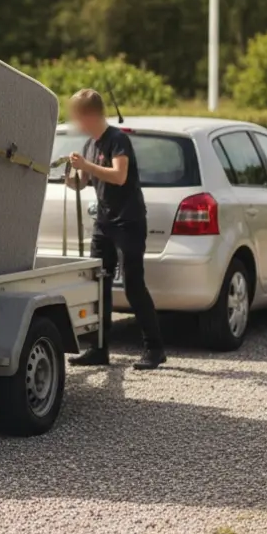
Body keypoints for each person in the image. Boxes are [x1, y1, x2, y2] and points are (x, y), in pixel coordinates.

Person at [65, 89, 166, 370]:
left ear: (91, 115)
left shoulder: (117, 140)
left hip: (129, 221)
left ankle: (154, 348)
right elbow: (82, 182)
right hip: (104, 223)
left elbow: (120, 176)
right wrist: (72, 175)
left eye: (77, 116)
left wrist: (86, 166)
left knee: (134, 285)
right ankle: (99, 349)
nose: (75, 123)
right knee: (99, 285)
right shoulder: (89, 144)